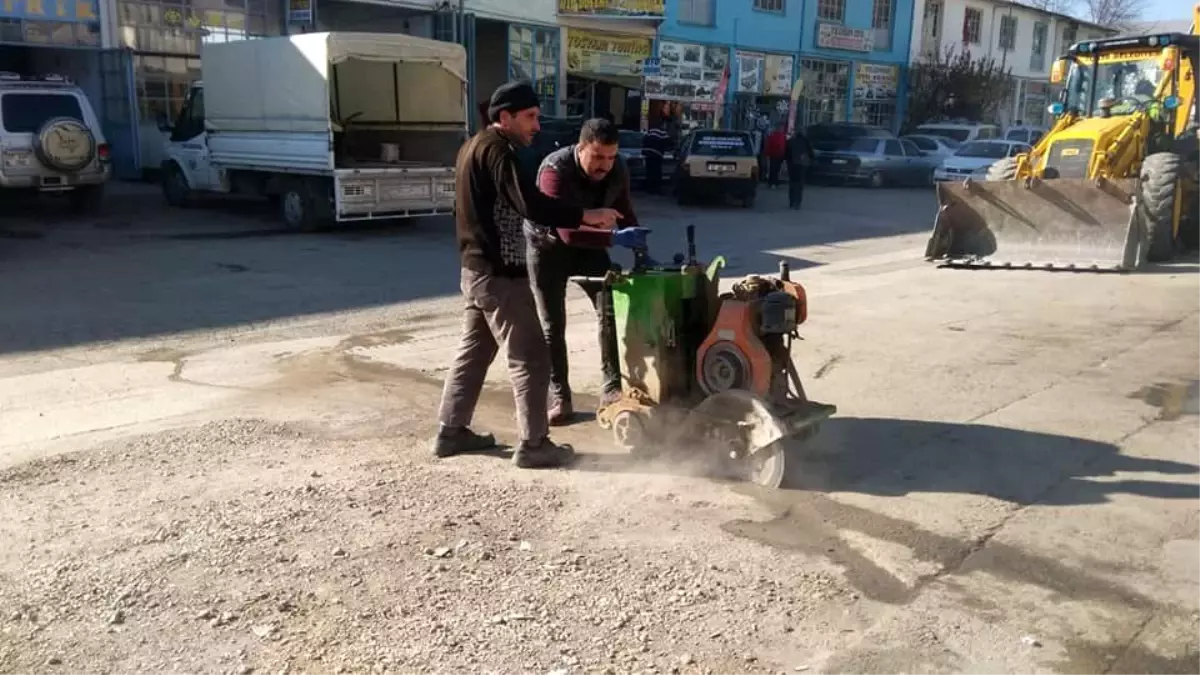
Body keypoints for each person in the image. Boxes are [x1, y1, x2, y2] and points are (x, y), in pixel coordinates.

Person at [432, 81, 623, 469]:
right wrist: (582, 214)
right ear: (505, 117)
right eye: (530, 117)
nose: (537, 125)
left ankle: (451, 432)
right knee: (533, 355)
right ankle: (534, 444)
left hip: (475, 270)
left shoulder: (472, 147)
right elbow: (530, 203)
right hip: (500, 274)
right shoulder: (497, 150)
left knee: (474, 353)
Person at [525, 118, 649, 425]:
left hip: (590, 247)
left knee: (609, 310)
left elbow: (623, 209)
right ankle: (560, 397)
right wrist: (614, 238)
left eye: (610, 157)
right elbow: (566, 232)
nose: (604, 165)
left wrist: (639, 246)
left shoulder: (617, 168)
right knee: (553, 324)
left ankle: (611, 387)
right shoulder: (555, 171)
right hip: (548, 248)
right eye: (597, 157)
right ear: (581, 149)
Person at [783, 127, 815, 210]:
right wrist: (811, 161)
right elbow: (811, 153)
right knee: (800, 184)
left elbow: (786, 153)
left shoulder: (791, 141)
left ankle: (792, 201)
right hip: (802, 165)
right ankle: (798, 202)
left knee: (792, 183)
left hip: (792, 165)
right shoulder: (806, 141)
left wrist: (786, 162)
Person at [642, 120, 669, 194]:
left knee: (649, 171)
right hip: (656, 154)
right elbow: (668, 142)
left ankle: (649, 189)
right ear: (662, 125)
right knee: (657, 172)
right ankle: (657, 189)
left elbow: (644, 139)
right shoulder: (662, 132)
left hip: (647, 153)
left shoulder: (650, 131)